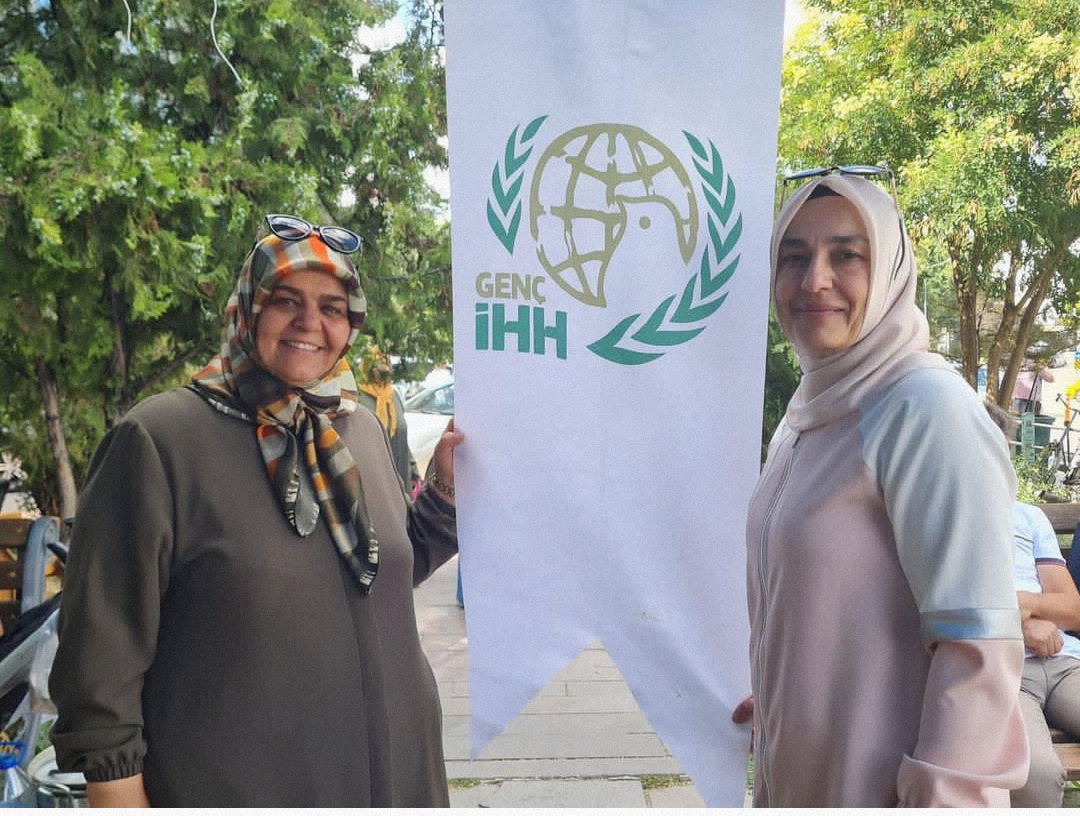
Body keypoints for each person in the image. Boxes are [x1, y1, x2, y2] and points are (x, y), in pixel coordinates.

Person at [48, 215, 463, 807]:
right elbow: (101, 652)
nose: (310, 323)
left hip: (400, 780)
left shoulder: (358, 429)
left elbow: (382, 569)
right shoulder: (162, 440)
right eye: (285, 301)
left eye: (332, 307)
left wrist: (444, 492)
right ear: (247, 308)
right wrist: (116, 790)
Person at [734, 168, 1028, 806]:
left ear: (892, 269)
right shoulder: (806, 416)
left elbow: (977, 648)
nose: (814, 280)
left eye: (847, 255)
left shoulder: (924, 408)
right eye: (793, 257)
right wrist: (784, 696)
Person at [985, 401, 1080, 807]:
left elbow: (1072, 610)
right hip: (1002, 667)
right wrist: (1016, 623)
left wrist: (1027, 604)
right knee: (1036, 774)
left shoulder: (1027, 517)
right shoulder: (933, 516)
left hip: (1064, 659)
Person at [355, 341, 421, 495]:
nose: (385, 369)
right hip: (373, 481)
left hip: (401, 477)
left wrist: (414, 470)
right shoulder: (358, 397)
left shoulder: (393, 396)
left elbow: (401, 435)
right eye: (379, 365)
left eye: (387, 364)